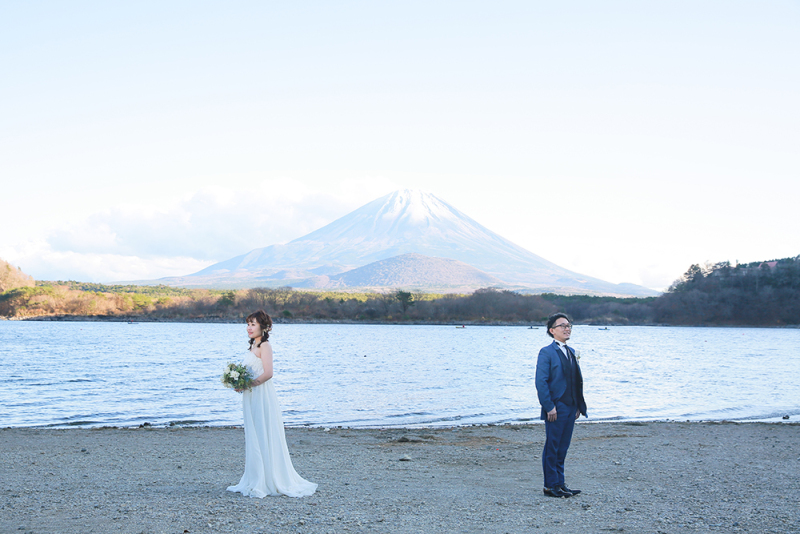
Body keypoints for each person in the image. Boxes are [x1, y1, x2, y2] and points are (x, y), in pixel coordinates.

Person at [227, 310, 317, 498]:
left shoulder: (265, 346)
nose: (249, 328)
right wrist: (240, 383)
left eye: (253, 324)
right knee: (254, 434)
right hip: (251, 395)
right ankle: (255, 477)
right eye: (248, 324)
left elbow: (268, 373)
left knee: (263, 432)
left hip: (261, 394)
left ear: (263, 326)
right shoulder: (253, 345)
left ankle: (268, 480)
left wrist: (248, 384)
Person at [535, 312, 587, 498]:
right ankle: (550, 486)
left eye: (569, 325)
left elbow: (576, 381)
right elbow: (541, 382)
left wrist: (579, 405)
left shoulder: (571, 351)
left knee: (563, 447)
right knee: (553, 446)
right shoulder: (546, 352)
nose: (567, 328)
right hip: (555, 408)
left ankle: (560, 483)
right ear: (552, 331)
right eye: (562, 325)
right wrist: (549, 406)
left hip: (571, 407)